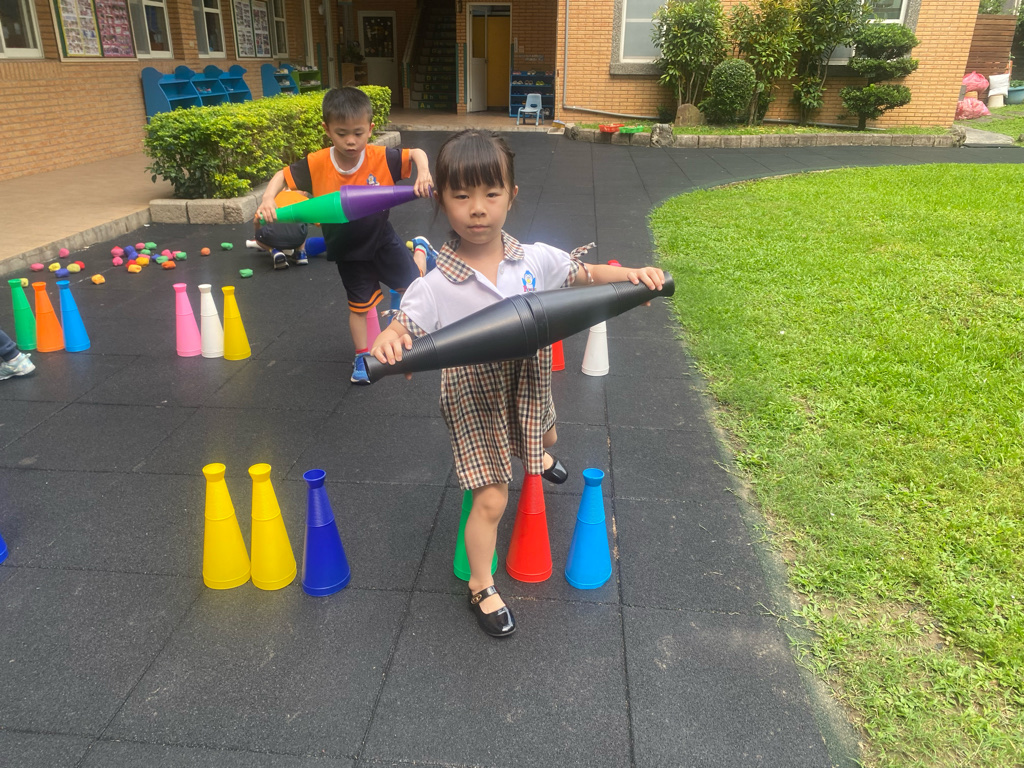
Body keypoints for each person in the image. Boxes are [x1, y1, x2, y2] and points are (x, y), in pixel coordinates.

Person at [370, 130, 665, 638]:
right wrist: (390, 341)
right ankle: (481, 585)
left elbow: (582, 274)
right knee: (491, 497)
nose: (477, 209)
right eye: (461, 196)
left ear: (511, 196)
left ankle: (539, 455)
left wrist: (632, 277)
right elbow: (403, 327)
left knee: (546, 436)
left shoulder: (533, 259)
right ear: (442, 201)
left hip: (527, 378)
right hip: (473, 393)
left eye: (491, 193)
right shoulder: (433, 286)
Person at [256, 87, 433, 384]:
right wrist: (267, 199)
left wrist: (424, 172)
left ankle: (421, 250)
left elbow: (416, 153)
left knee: (414, 288)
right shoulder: (317, 163)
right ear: (327, 129)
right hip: (348, 251)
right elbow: (281, 176)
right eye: (341, 134)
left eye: (358, 133)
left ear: (370, 129)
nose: (351, 141)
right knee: (359, 307)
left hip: (382, 240)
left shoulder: (380, 157)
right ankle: (362, 357)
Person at [247, 189, 311, 270]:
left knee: (258, 236)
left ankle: (275, 251)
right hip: (297, 238)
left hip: (273, 238)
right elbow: (316, 221)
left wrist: (258, 236)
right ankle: (301, 253)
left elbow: (256, 221)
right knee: (303, 223)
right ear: (304, 192)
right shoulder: (304, 199)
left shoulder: (272, 199)